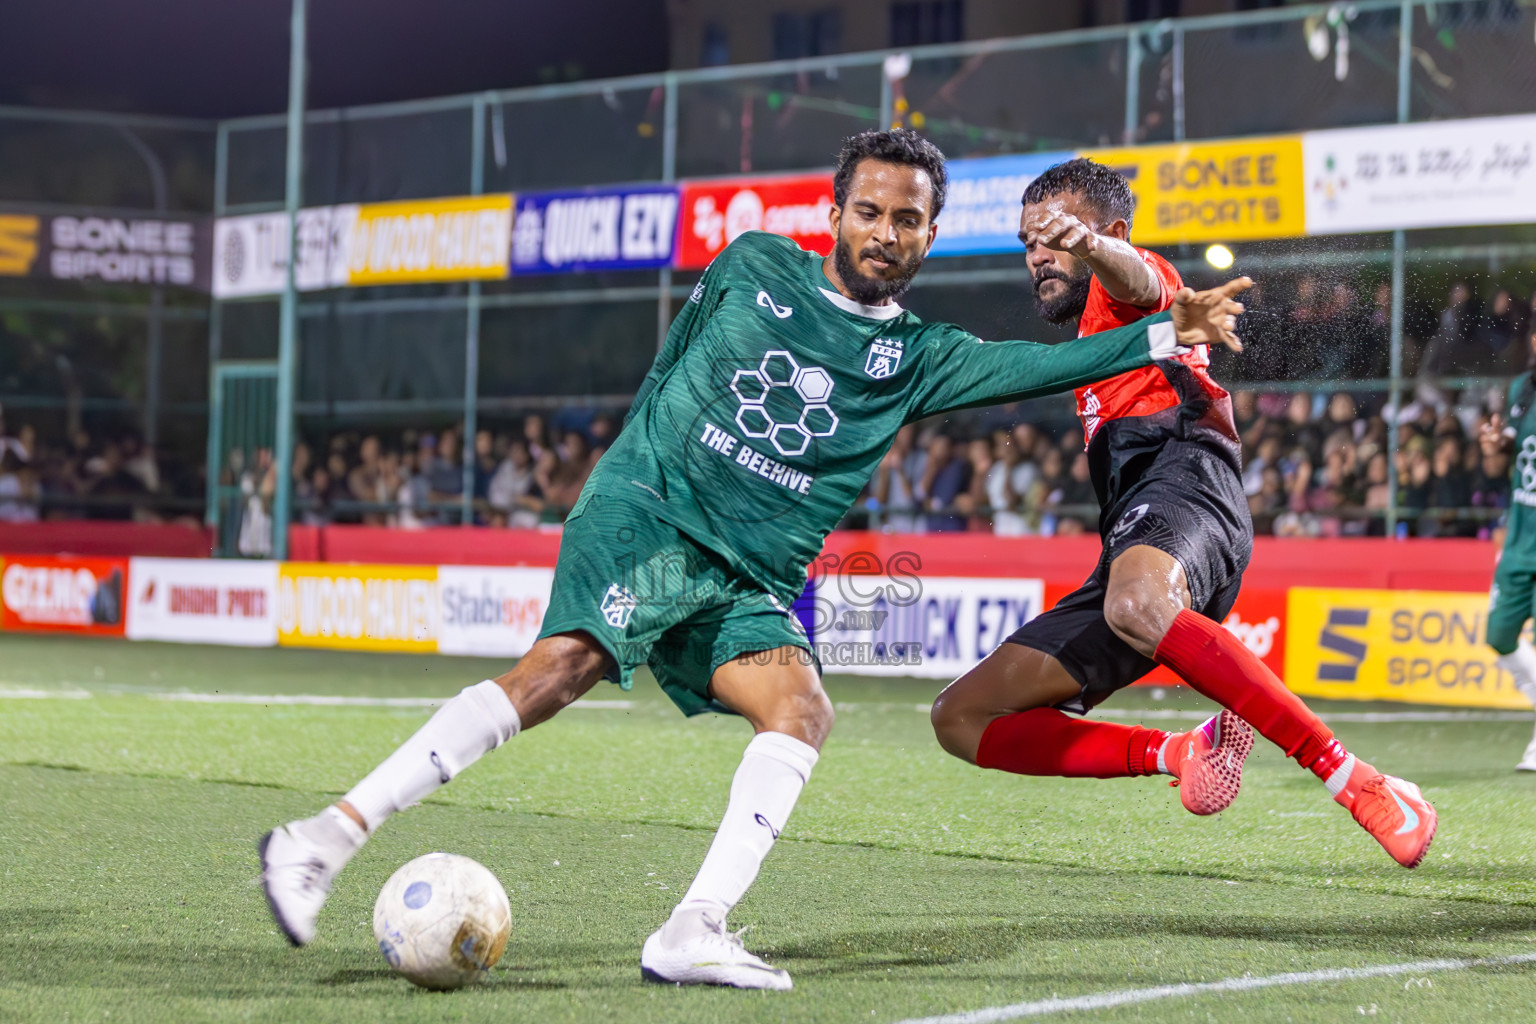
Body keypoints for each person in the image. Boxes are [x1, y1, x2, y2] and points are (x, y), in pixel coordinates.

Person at [258, 129, 1248, 991]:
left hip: (745, 577)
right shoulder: (753, 264)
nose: (885, 233)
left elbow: (1041, 364)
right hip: (653, 518)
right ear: (834, 213)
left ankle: (692, 929)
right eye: (869, 211)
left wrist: (1166, 331)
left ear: (929, 237)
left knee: (801, 708)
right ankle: (322, 839)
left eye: (907, 220)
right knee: (563, 668)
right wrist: (639, 477)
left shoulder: (917, 356)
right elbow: (672, 365)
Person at [928, 157, 1435, 871]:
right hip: (1134, 537)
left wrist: (1092, 246)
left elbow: (1141, 278)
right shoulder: (1089, 344)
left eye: (1054, 234)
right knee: (960, 717)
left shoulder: (1129, 292)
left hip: (1189, 485)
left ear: (1111, 232)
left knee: (1137, 602)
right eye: (1028, 240)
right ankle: (1180, 751)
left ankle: (1359, 780)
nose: (1038, 252)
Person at [1478, 329, 1536, 770]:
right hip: (1519, 538)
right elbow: (1500, 465)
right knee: (1499, 635)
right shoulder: (1522, 389)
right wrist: (1492, 448)